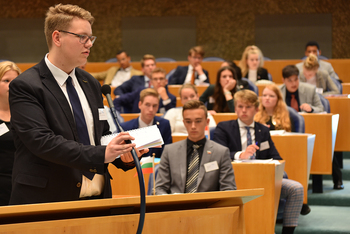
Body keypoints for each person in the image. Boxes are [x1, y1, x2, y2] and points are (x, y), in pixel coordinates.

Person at [8, 4, 148, 205]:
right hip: (48, 201)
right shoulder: (26, 86)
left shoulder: (90, 82)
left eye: (91, 38)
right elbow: (42, 141)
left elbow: (101, 135)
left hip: (97, 201)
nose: (89, 44)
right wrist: (103, 154)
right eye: (82, 37)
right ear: (57, 38)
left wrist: (121, 155)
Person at [213, 90, 305, 234]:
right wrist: (240, 155)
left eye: (248, 107)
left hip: (263, 177)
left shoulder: (263, 130)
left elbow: (276, 157)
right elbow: (218, 155)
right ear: (235, 108)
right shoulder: (224, 128)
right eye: (240, 106)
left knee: (297, 189)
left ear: (256, 109)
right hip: (234, 178)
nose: (243, 110)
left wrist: (270, 165)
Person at [156, 100, 236, 194]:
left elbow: (228, 189)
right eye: (188, 121)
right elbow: (160, 188)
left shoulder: (221, 152)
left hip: (207, 207)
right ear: (184, 123)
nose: (193, 126)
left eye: (198, 121)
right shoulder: (170, 151)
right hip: (176, 206)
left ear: (207, 122)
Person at [120, 88, 172, 158]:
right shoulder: (125, 127)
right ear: (140, 105)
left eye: (154, 106)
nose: (151, 109)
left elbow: (166, 154)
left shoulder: (164, 125)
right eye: (147, 105)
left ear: (158, 107)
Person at [0, 61, 21, 205]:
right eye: (6, 81)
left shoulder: (27, 114)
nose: (11, 85)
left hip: (23, 183)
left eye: (15, 81)